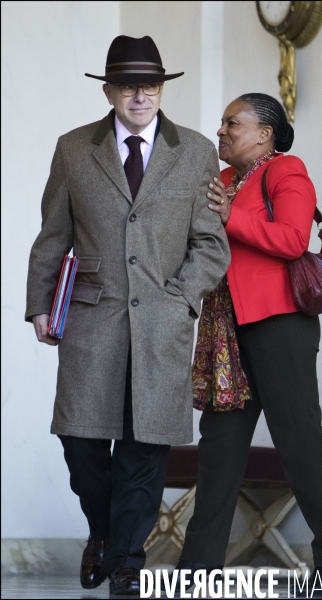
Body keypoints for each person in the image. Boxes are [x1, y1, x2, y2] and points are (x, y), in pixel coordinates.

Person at [25, 35, 230, 597]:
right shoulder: (73, 149)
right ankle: (105, 533)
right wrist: (40, 305)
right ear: (110, 90)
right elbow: (52, 236)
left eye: (150, 84)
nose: (140, 95)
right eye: (128, 84)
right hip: (91, 319)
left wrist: (183, 299)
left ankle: (126, 563)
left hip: (162, 323)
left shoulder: (194, 152)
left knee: (145, 447)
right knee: (82, 441)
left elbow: (211, 245)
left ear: (161, 89)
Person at [174, 93, 322, 598]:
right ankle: (197, 569)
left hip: (279, 325)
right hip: (227, 331)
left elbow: (294, 240)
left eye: (233, 123)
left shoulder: (285, 170)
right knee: (219, 449)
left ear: (265, 133)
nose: (221, 131)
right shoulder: (227, 181)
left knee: (299, 441)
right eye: (221, 123)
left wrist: (231, 215)